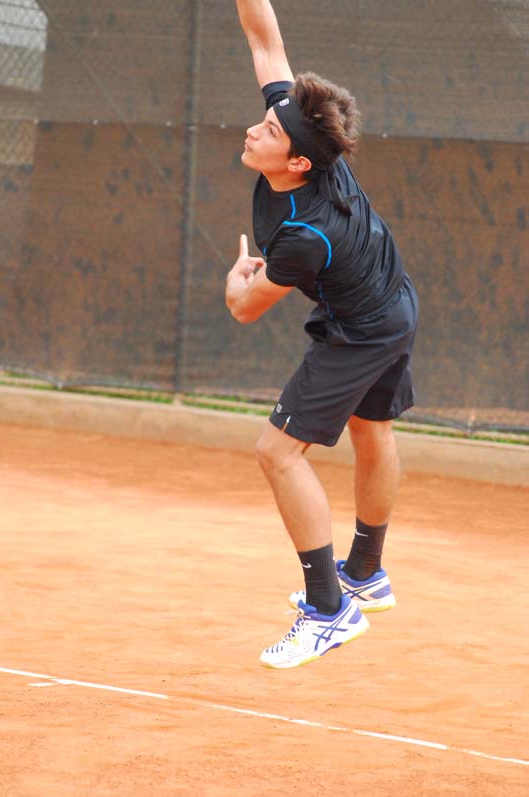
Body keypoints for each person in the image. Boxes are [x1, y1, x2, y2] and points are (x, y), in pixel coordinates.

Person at [226, 0, 419, 669]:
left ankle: (329, 608)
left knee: (278, 453)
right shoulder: (303, 130)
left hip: (361, 329)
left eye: (267, 132)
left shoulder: (305, 234)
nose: (254, 129)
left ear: (299, 164)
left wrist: (234, 280)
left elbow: (245, 309)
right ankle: (366, 571)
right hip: (394, 303)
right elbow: (264, 39)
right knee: (372, 429)